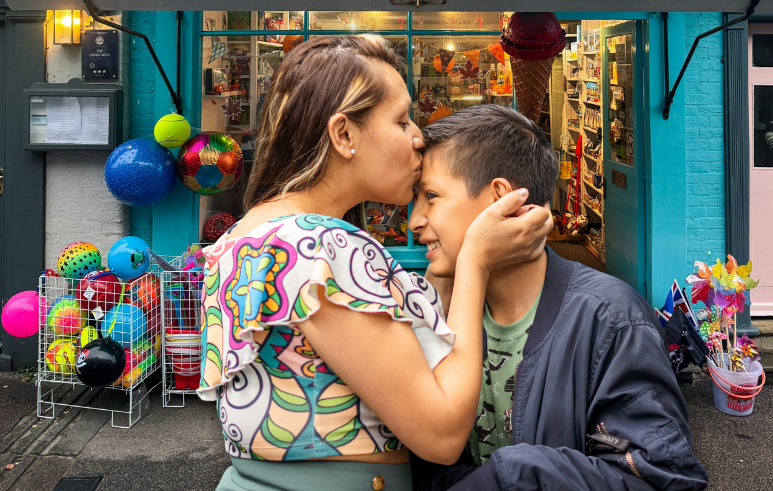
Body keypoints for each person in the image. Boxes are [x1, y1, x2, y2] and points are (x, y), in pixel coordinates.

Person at [196, 36, 554, 491]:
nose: (418, 136)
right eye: (401, 121)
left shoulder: (248, 233)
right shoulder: (323, 246)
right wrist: (474, 263)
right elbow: (443, 434)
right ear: (344, 134)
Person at [408, 104, 709, 491]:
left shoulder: (611, 319)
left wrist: (513, 476)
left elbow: (661, 478)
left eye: (431, 196)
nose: (414, 221)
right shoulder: (442, 304)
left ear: (500, 199)